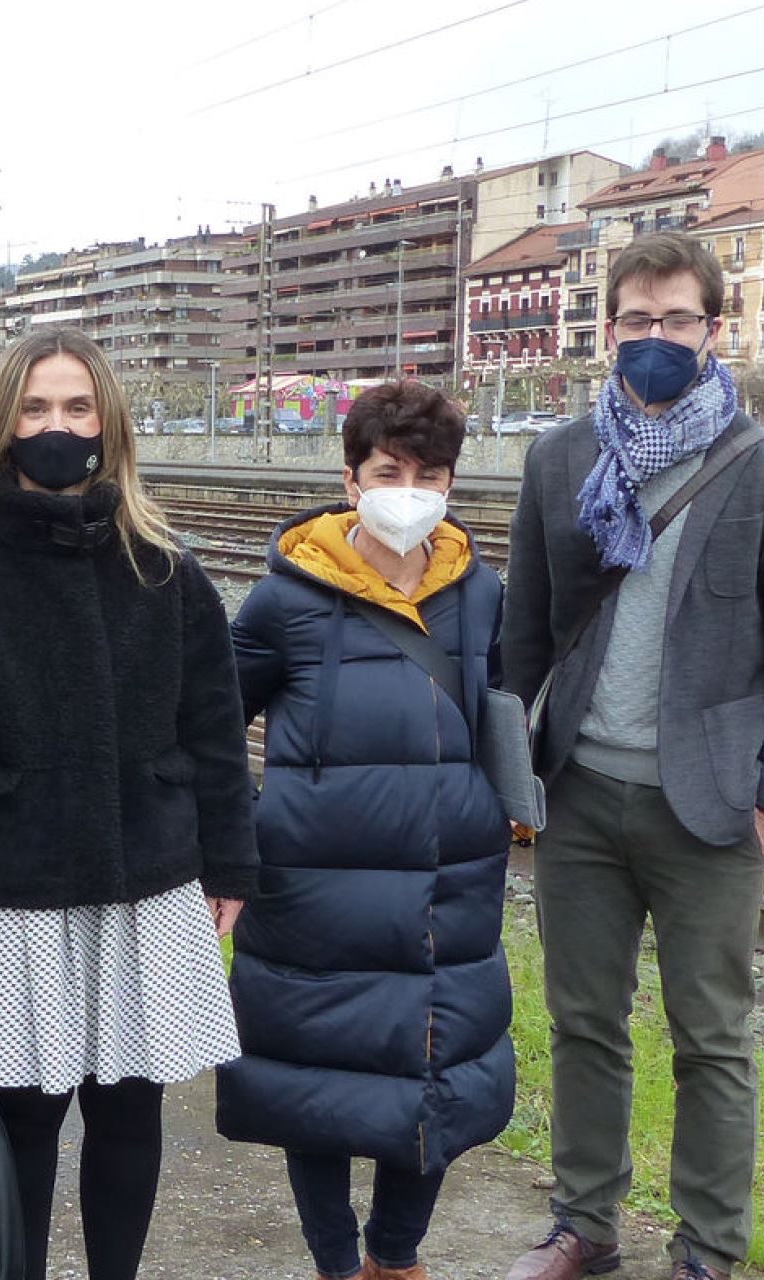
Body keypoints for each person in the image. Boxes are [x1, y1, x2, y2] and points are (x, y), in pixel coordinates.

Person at [499, 232, 764, 1280]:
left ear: (713, 329)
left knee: (715, 1036)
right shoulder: (560, 457)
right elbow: (524, 630)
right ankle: (585, 1224)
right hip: (583, 795)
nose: (657, 338)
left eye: (678, 319)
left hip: (711, 807)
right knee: (584, 1022)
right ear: (607, 330)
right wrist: (514, 769)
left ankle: (707, 1248)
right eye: (638, 320)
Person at [0, 326, 257, 1280]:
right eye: (38, 407)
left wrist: (230, 860)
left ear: (110, 423)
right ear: (4, 424)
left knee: (130, 1106)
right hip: (7, 886)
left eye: (78, 407)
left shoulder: (164, 566)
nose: (59, 426)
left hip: (149, 876)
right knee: (23, 1112)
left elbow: (215, 728)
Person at [215, 380, 516, 1280]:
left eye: (430, 474)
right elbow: (213, 725)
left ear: (453, 484)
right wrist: (231, 843)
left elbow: (493, 712)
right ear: (351, 480)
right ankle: (335, 1262)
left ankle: (397, 1255)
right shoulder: (286, 599)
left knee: (436, 1068)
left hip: (445, 881)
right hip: (314, 881)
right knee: (316, 1078)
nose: (409, 489)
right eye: (390, 471)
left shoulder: (479, 591)